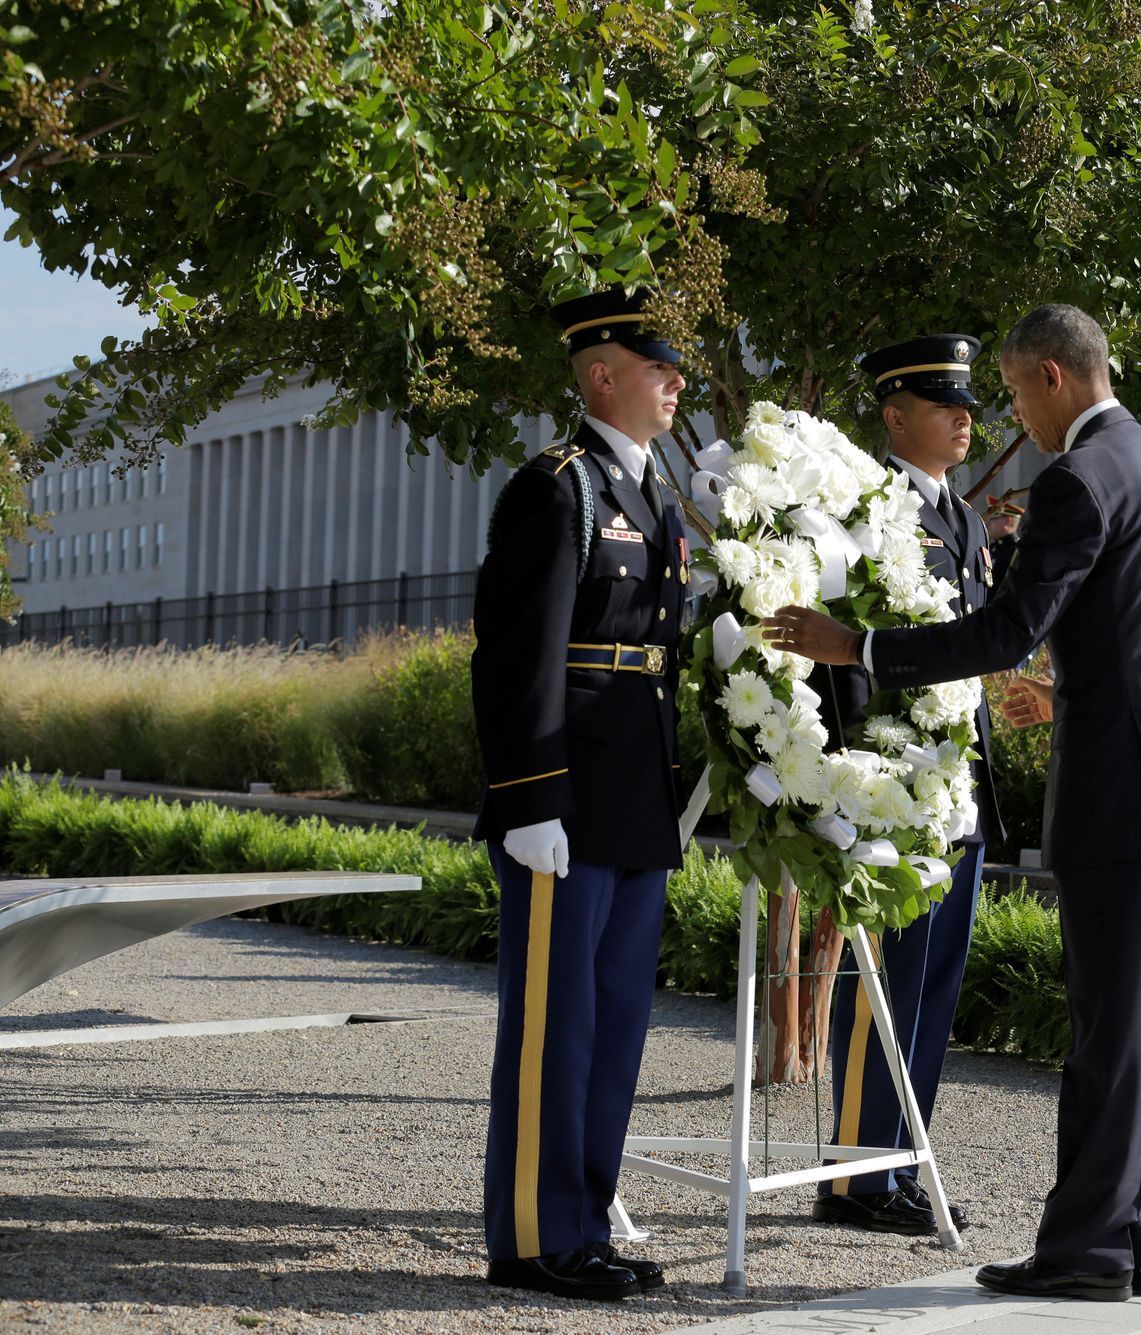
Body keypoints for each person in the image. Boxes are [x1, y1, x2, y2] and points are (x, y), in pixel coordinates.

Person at [766, 303, 1141, 1304]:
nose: (1009, 416)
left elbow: (1004, 631)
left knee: (1106, 1030)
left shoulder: (1077, 477)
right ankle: (1138, 1241)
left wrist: (857, 647)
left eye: (1017, 392)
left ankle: (1086, 1252)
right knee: (1131, 1025)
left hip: (1124, 786)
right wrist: (1068, 691)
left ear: (1054, 379)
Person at [469, 289, 690, 1302]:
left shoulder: (657, 494)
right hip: (565, 800)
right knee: (555, 1027)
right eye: (658, 364)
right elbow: (517, 658)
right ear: (602, 374)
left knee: (613, 1023)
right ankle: (534, 1235)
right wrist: (528, 800)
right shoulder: (554, 488)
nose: (676, 379)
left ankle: (587, 1220)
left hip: (635, 799)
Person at [810, 334, 1002, 1238]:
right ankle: (854, 1175)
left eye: (967, 405)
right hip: (898, 786)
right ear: (895, 417)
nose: (965, 420)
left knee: (932, 986)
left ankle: (901, 1161)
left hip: (958, 784)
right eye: (944, 406)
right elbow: (844, 651)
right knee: (884, 979)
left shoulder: (960, 518)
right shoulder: (866, 507)